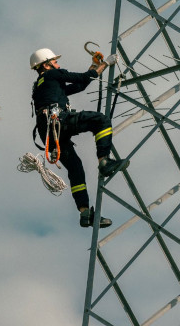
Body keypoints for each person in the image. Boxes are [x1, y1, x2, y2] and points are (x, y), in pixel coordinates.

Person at [29, 47, 129, 228]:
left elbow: (81, 85)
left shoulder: (41, 85)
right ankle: (104, 162)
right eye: (55, 61)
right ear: (46, 64)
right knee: (101, 120)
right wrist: (106, 63)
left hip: (49, 135)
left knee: (75, 168)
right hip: (59, 121)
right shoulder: (54, 75)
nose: (58, 64)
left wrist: (95, 65)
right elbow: (83, 78)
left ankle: (85, 213)